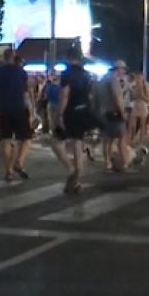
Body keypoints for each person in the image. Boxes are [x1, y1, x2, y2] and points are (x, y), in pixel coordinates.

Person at [54, 48, 94, 193]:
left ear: (68, 58)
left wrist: (60, 113)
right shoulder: (86, 74)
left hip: (70, 111)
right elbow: (90, 94)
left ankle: (71, 170)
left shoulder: (67, 74)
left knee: (56, 143)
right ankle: (77, 179)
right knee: (77, 142)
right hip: (83, 110)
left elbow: (65, 94)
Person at [0, 49, 32, 181]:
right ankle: (19, 163)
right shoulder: (21, 72)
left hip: (3, 109)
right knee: (25, 138)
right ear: (14, 57)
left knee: (6, 140)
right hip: (19, 107)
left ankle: (9, 172)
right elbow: (27, 89)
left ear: (3, 57)